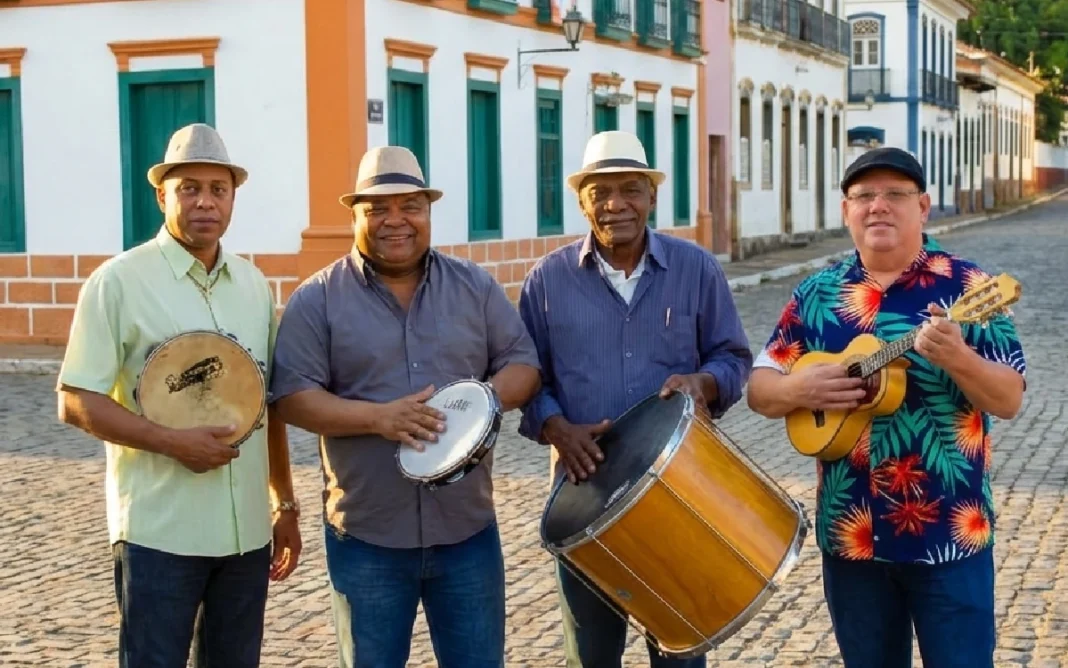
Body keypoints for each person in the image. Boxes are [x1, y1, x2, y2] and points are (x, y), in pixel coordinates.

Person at [745, 147, 1027, 668]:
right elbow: (760, 387)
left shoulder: (968, 288)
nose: (878, 206)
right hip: (850, 535)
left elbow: (1008, 398)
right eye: (864, 196)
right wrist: (800, 392)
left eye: (894, 194)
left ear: (922, 207)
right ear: (845, 210)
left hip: (948, 532)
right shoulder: (816, 294)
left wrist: (960, 358)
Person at [268, 145, 542, 668]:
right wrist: (377, 418)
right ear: (355, 216)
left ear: (429, 211)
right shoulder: (317, 299)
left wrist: (476, 406)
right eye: (377, 209)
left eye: (410, 205)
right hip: (367, 536)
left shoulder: (475, 288)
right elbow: (293, 398)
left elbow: (522, 364)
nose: (396, 221)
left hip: (467, 532)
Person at [55, 123, 302, 668]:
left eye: (219, 189)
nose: (205, 202)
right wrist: (171, 442)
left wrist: (282, 503)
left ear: (234, 197)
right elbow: (75, 400)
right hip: (159, 535)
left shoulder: (254, 286)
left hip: (245, 537)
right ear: (162, 194)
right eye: (189, 188)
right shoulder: (116, 283)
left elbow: (269, 407)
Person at [517, 130, 754, 668]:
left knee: (680, 653)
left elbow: (734, 358)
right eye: (600, 192)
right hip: (586, 500)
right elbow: (526, 380)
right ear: (581, 202)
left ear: (651, 196)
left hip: (682, 494)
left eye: (630, 190)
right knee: (593, 654)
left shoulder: (697, 270)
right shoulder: (546, 282)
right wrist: (554, 426)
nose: (615, 204)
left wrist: (704, 383)